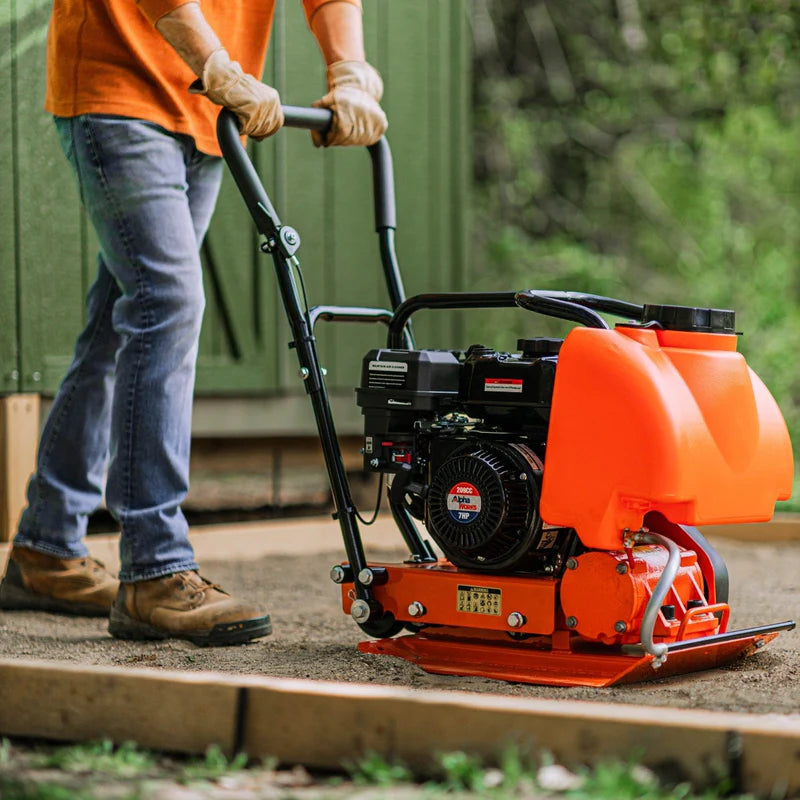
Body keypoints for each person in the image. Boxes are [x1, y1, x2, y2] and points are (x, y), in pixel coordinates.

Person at [0, 0, 386, 646]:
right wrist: (216, 64)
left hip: (209, 106)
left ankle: (47, 546)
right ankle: (155, 567)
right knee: (166, 301)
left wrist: (350, 68)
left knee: (120, 320)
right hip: (121, 83)